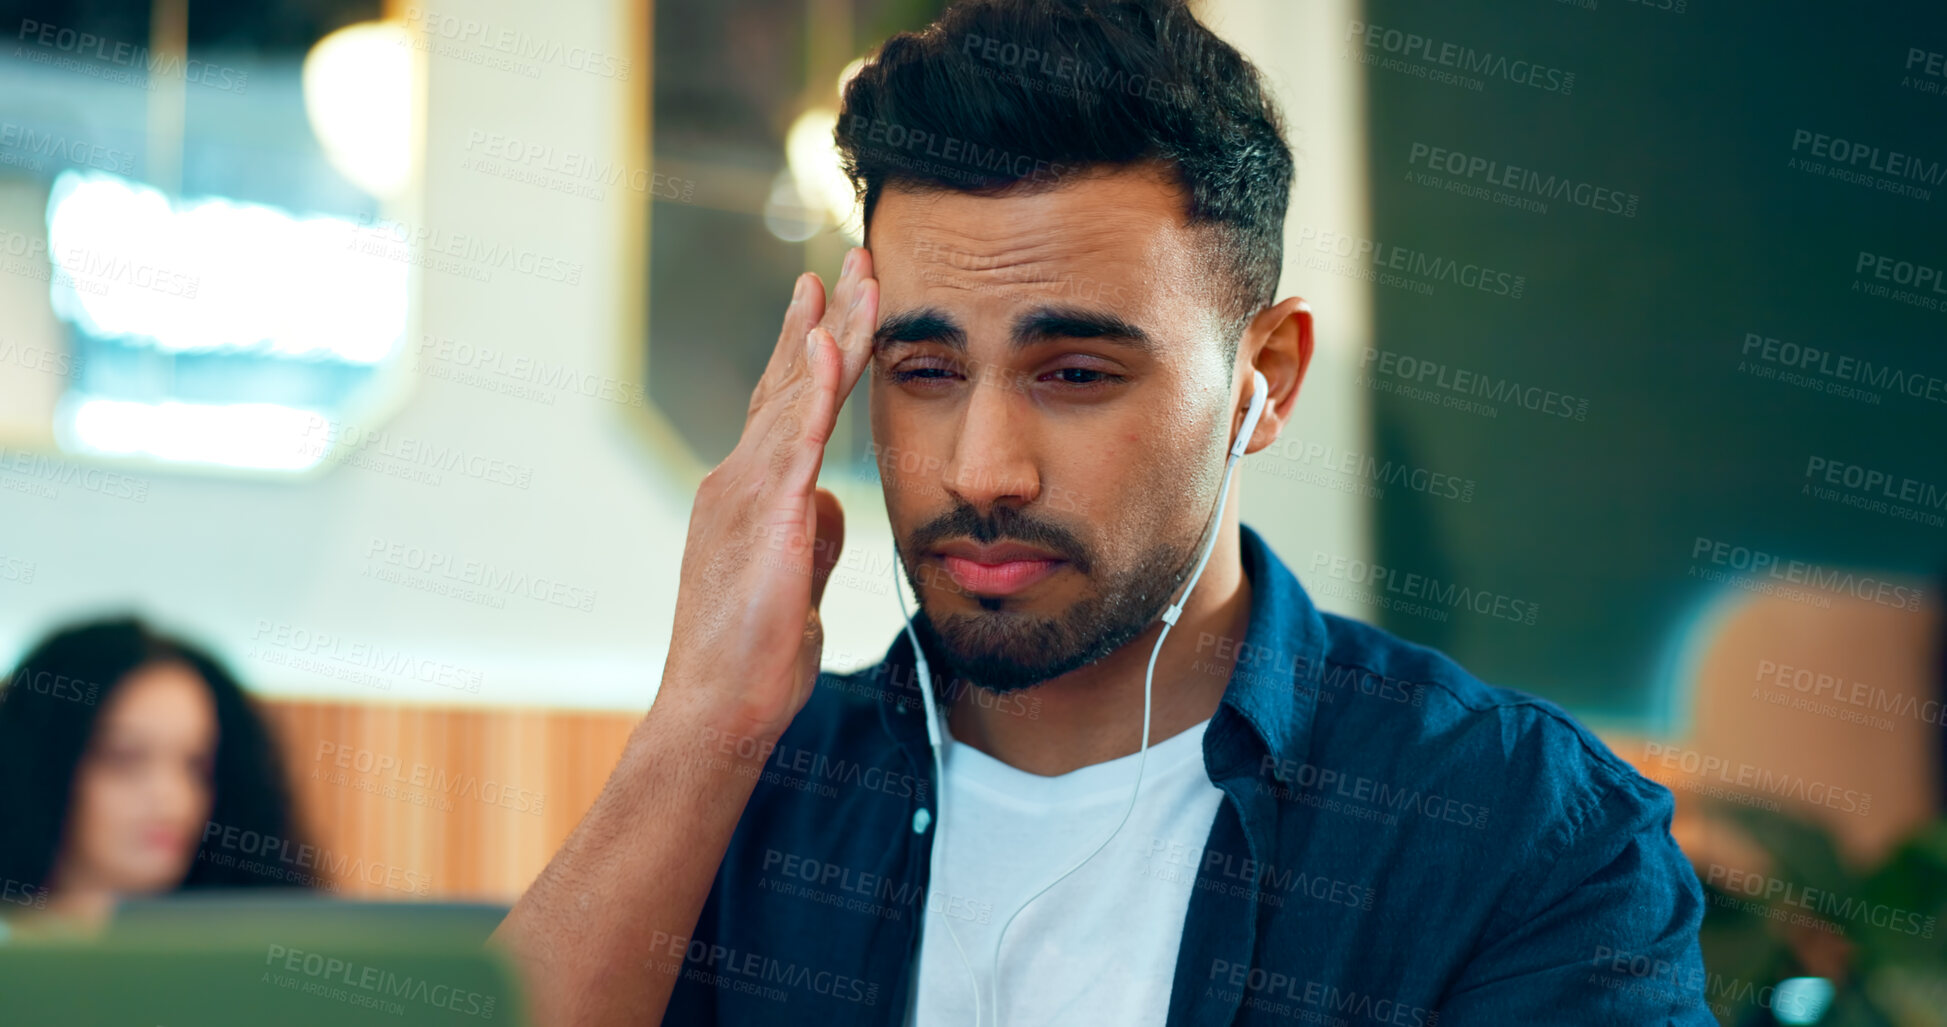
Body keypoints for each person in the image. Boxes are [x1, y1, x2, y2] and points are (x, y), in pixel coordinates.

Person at [491, 1, 1711, 1023]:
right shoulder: (755, 798)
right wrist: (703, 717)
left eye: (1075, 374)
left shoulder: (1517, 840)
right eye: (923, 372)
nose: (982, 470)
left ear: (1264, 381)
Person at [0, 615, 311, 938]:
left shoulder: (262, 954)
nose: (170, 795)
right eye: (125, 758)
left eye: (197, 766)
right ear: (44, 764)